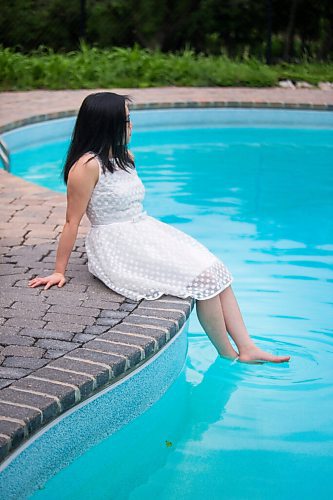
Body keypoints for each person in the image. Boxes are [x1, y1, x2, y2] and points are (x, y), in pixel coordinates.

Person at [28, 91, 291, 365]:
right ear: (107, 124)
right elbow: (72, 221)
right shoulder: (86, 167)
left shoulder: (125, 157)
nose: (131, 126)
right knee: (202, 281)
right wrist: (59, 271)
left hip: (144, 229)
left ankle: (247, 346)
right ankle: (227, 355)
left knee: (215, 268)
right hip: (116, 243)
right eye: (126, 120)